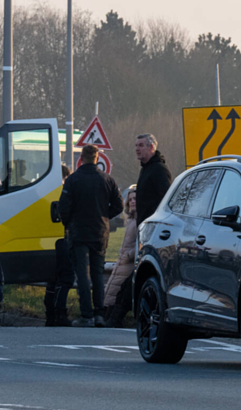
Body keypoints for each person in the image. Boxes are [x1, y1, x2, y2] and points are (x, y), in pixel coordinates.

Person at [57, 145, 123, 327]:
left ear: (81, 158)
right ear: (97, 158)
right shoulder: (107, 180)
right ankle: (99, 314)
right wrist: (103, 216)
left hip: (79, 233)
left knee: (83, 275)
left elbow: (63, 207)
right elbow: (119, 206)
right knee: (97, 274)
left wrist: (69, 223)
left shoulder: (73, 180)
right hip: (100, 232)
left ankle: (86, 315)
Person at [103, 185, 137, 328]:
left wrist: (129, 254)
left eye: (135, 199)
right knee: (112, 289)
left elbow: (141, 244)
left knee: (118, 291)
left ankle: (112, 318)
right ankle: (106, 316)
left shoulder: (141, 220)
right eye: (130, 200)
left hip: (128, 263)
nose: (133, 202)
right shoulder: (131, 220)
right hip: (122, 263)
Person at [44, 165, 74, 326]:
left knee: (52, 278)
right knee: (66, 277)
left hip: (48, 239)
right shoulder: (65, 192)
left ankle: (49, 313)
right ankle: (60, 312)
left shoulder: (46, 193)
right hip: (63, 238)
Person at [135, 133, 173, 225]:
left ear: (151, 147)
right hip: (144, 224)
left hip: (154, 225)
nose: (137, 149)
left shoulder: (159, 170)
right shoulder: (145, 169)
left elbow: (167, 198)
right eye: (136, 146)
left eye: (141, 145)